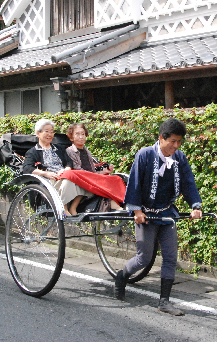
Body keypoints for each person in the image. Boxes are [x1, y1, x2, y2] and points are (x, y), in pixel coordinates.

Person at [114, 118, 202, 316]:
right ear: (161, 138)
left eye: (179, 142)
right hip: (145, 212)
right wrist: (136, 211)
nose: (176, 146)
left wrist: (195, 205)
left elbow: (188, 183)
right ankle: (122, 276)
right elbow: (134, 183)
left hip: (167, 212)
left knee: (170, 257)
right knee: (144, 258)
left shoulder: (180, 158)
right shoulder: (145, 154)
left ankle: (164, 301)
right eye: (173, 141)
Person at [22, 119, 93, 216]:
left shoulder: (59, 148)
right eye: (46, 131)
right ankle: (64, 209)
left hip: (63, 174)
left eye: (52, 132)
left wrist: (67, 168)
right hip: (49, 180)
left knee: (81, 180)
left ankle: (73, 208)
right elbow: (27, 168)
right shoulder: (33, 152)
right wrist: (45, 173)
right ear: (38, 133)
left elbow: (69, 161)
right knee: (69, 181)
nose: (50, 134)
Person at [66, 123, 122, 211]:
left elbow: (92, 169)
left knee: (115, 179)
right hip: (80, 178)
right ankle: (73, 207)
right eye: (77, 134)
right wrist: (94, 176)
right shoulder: (69, 151)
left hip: (90, 177)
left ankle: (119, 202)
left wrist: (103, 172)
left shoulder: (87, 151)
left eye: (83, 134)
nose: (81, 137)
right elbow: (77, 169)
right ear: (71, 137)